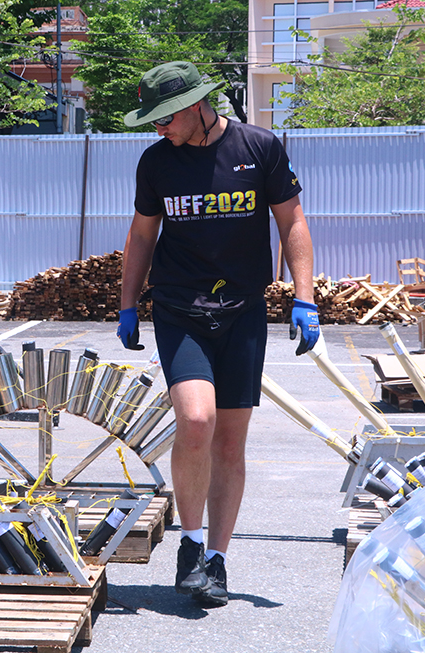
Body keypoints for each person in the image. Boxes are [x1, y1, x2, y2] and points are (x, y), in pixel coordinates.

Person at [116, 62, 319, 607]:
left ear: (195, 106)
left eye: (163, 118)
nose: (158, 129)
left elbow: (291, 221)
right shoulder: (156, 162)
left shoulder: (259, 147)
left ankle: (218, 561)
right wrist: (128, 304)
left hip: (243, 310)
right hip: (181, 308)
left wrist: (304, 298)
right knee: (197, 420)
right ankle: (190, 542)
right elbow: (141, 234)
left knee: (231, 440)